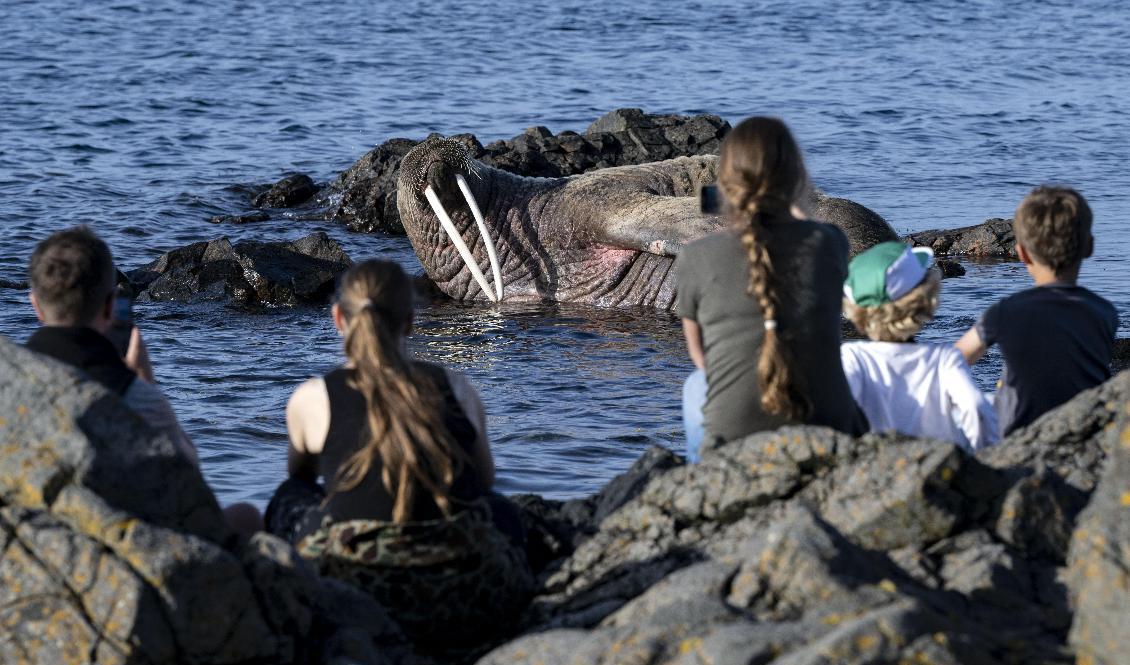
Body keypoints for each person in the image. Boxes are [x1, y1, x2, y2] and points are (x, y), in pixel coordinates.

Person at [267, 259, 531, 652]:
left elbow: (299, 475)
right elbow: (485, 480)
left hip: (359, 589)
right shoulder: (454, 386)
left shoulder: (313, 397)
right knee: (500, 508)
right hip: (466, 593)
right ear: (409, 322)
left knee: (289, 497)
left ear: (339, 318)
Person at [25, 225, 261, 537]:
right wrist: (146, 382)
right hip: (119, 547)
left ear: (35, 305)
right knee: (246, 516)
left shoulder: (11, 377)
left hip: (26, 541)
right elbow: (189, 483)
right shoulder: (138, 397)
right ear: (110, 307)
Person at [676, 117, 868, 462]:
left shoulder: (696, 256)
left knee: (695, 385)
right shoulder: (829, 242)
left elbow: (700, 356)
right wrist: (797, 201)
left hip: (731, 434)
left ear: (727, 185)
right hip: (830, 427)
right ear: (796, 179)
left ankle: (701, 475)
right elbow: (802, 227)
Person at [956, 186, 1117, 436]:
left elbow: (954, 360)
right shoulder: (1105, 312)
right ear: (1089, 247)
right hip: (1086, 433)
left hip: (1019, 437)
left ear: (1021, 254)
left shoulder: (1005, 312)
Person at [841, 241, 999, 451]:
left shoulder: (852, 357)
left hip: (877, 466)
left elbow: (837, 412)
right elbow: (976, 408)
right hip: (940, 467)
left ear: (856, 310)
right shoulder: (944, 359)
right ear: (927, 299)